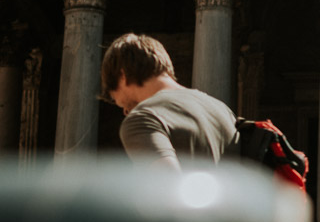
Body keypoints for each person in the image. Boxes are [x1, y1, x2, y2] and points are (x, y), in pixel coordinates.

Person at [98, 33, 237, 169]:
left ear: (123, 76)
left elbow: (166, 186)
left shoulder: (142, 119)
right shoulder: (223, 109)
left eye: (113, 97)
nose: (123, 110)